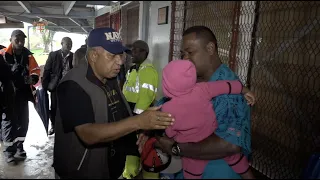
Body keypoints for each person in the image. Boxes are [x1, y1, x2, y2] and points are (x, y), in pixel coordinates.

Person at [52, 27, 175, 179]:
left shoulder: (109, 78)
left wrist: (142, 133)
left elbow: (120, 116)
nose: (120, 61)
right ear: (94, 55)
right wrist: (138, 122)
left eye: (120, 55)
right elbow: (88, 134)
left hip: (109, 168)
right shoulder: (73, 85)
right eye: (112, 56)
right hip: (81, 171)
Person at [137, 26, 254, 179]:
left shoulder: (227, 91)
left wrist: (175, 148)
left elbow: (230, 144)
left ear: (210, 48)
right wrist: (148, 130)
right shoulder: (190, 81)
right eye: (183, 54)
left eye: (190, 52)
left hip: (216, 172)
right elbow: (167, 106)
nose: (185, 58)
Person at [161, 60, 255, 179]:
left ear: (167, 85)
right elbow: (225, 86)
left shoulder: (167, 108)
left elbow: (170, 132)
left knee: (191, 174)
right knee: (236, 159)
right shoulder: (202, 89)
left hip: (192, 150)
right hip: (211, 135)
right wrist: (243, 89)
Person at [0, 29, 40, 164]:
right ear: (11, 39)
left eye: (22, 39)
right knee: (9, 123)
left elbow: (35, 71)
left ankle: (19, 147)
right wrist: (10, 71)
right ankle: (8, 152)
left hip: (23, 94)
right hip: (7, 95)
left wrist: (32, 79)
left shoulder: (28, 56)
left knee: (23, 122)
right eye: (17, 38)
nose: (20, 41)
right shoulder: (3, 54)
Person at [42, 37, 73, 135]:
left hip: (69, 85)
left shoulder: (74, 56)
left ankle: (66, 125)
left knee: (68, 106)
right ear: (61, 43)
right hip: (56, 85)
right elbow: (47, 70)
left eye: (70, 44)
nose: (69, 45)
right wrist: (45, 85)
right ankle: (54, 126)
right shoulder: (53, 55)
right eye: (67, 43)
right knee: (54, 106)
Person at [122, 40, 158, 115]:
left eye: (135, 51)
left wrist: (137, 115)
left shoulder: (148, 71)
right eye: (131, 51)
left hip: (138, 113)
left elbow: (146, 97)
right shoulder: (132, 69)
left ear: (143, 53)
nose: (131, 54)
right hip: (128, 108)